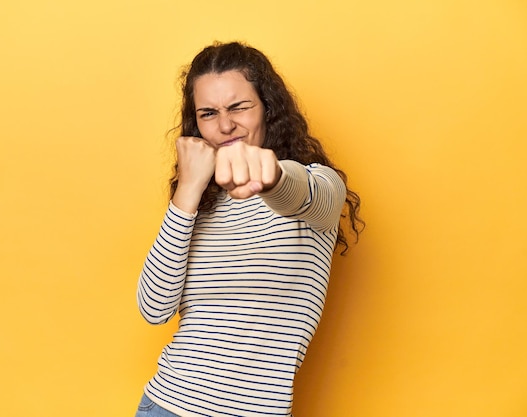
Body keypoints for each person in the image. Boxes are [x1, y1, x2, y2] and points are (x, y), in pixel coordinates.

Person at [135, 41, 363, 417]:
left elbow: (300, 192)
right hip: (167, 404)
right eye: (208, 113)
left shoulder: (317, 186)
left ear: (268, 108)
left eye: (239, 107)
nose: (225, 125)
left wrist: (270, 173)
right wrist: (188, 191)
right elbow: (154, 308)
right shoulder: (200, 205)